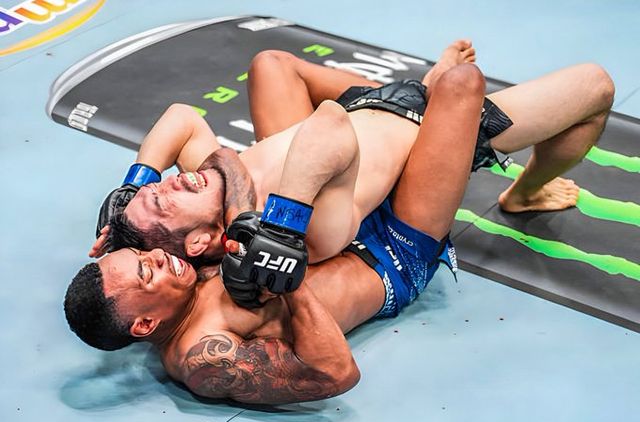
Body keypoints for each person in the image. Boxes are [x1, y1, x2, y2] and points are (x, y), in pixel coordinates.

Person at [65, 45, 614, 403]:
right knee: (471, 85)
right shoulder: (203, 354)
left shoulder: (186, 261)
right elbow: (335, 375)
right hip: (393, 251)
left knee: (274, 67)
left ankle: (401, 105)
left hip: (325, 218)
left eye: (143, 254)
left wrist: (135, 189)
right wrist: (287, 278)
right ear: (144, 326)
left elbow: (204, 145)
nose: (157, 258)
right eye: (146, 271)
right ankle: (504, 172)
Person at [90, 41, 614, 274]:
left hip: (368, 109)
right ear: (201, 241)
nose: (167, 183)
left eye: (155, 188)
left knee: (270, 62)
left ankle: (423, 84)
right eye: (161, 203)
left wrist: (131, 188)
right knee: (595, 87)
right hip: (424, 135)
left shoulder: (213, 187)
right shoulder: (293, 233)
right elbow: (329, 122)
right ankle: (526, 191)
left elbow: (181, 117)